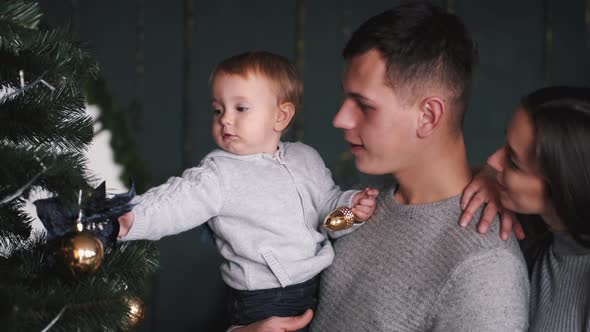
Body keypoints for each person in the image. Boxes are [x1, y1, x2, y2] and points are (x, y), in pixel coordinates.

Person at [234, 2, 529, 331]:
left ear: (428, 116)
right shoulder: (361, 207)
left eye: (364, 106)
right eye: (347, 100)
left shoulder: (484, 271)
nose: (340, 119)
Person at [116, 51, 378, 329]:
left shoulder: (305, 157)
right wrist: (131, 217)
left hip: (317, 284)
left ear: (281, 116)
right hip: (264, 297)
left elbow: (328, 209)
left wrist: (353, 208)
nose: (225, 119)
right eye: (218, 109)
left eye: (240, 108)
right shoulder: (219, 173)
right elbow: (176, 201)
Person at [464, 86, 590, 331]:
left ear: (564, 186)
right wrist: (490, 177)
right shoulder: (534, 231)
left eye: (512, 161)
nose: (492, 161)